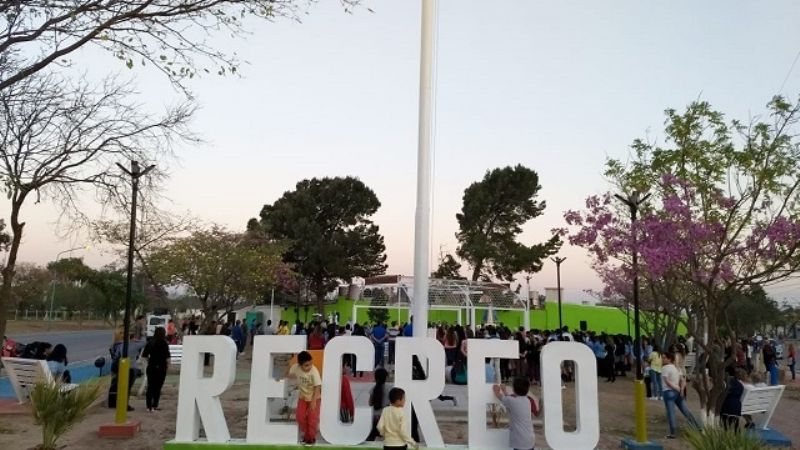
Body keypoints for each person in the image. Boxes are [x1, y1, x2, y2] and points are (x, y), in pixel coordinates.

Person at [284, 351, 322, 445]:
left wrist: (313, 401)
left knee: (312, 419)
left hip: (314, 398)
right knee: (300, 417)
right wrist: (289, 363)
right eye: (306, 365)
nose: (309, 367)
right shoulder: (296, 368)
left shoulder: (314, 371)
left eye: (310, 364)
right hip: (303, 398)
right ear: (300, 365)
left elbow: (317, 386)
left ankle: (311, 438)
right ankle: (307, 434)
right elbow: (286, 374)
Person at [661, 351, 700, 439]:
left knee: (671, 412)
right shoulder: (677, 369)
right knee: (685, 410)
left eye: (664, 358)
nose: (662, 360)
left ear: (669, 359)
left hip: (668, 392)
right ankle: (698, 427)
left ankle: (673, 433)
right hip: (677, 392)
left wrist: (676, 388)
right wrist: (681, 389)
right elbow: (683, 380)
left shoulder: (665, 368)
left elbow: (667, 382)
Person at [493, 377, 535, 450]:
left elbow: (498, 394)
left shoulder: (511, 401)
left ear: (513, 389)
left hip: (519, 441)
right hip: (530, 440)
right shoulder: (527, 401)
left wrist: (496, 388)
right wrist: (505, 391)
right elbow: (510, 400)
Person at [142, 327, 171, 412]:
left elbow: (144, 355)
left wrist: (149, 361)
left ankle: (148, 406)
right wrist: (168, 366)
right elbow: (168, 357)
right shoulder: (164, 343)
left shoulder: (150, 343)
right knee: (158, 387)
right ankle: (155, 405)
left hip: (151, 366)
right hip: (161, 367)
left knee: (150, 386)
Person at [368, 368, 391, 441]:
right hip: (386, 417)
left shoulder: (373, 389)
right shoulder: (389, 389)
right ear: (385, 377)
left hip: (376, 417)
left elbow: (370, 403)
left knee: (372, 435)